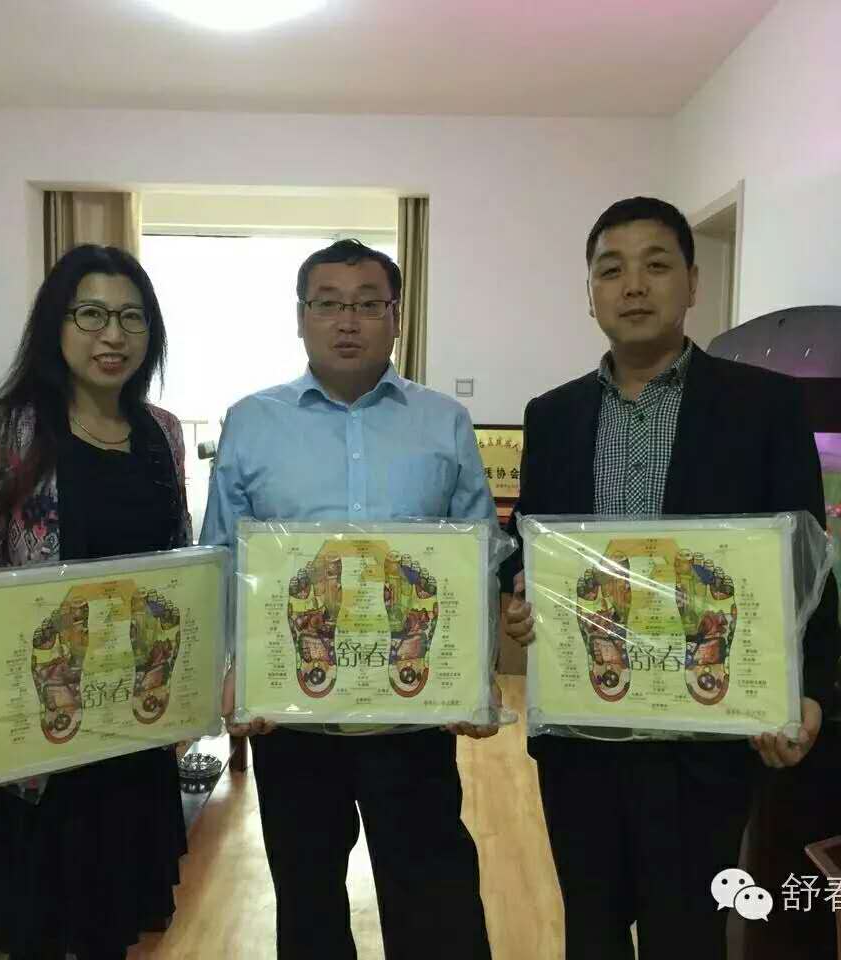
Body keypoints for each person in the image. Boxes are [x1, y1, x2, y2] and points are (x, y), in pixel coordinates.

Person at [500, 198, 841, 960]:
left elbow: (806, 562)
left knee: (687, 936)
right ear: (589, 292)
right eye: (610, 270)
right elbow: (534, 544)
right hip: (584, 730)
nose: (633, 285)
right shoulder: (552, 415)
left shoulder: (764, 406)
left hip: (705, 736)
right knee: (590, 931)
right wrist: (521, 595)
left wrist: (811, 689)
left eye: (655, 265)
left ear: (692, 281)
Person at [200, 239, 496, 960]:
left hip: (413, 711)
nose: (348, 320)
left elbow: (477, 553)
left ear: (396, 317)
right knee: (308, 905)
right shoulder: (251, 420)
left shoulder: (443, 421)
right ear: (300, 317)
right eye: (328, 303)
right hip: (292, 715)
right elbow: (223, 558)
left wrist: (477, 671)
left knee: (436, 903)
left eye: (368, 304)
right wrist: (232, 668)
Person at [0, 244, 193, 960]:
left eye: (132, 318)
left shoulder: (162, 434)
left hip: (132, 730)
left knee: (113, 930)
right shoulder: (5, 430)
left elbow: (177, 566)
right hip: (41, 731)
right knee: (40, 931)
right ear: (56, 323)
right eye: (92, 315)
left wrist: (187, 690)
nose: (113, 335)